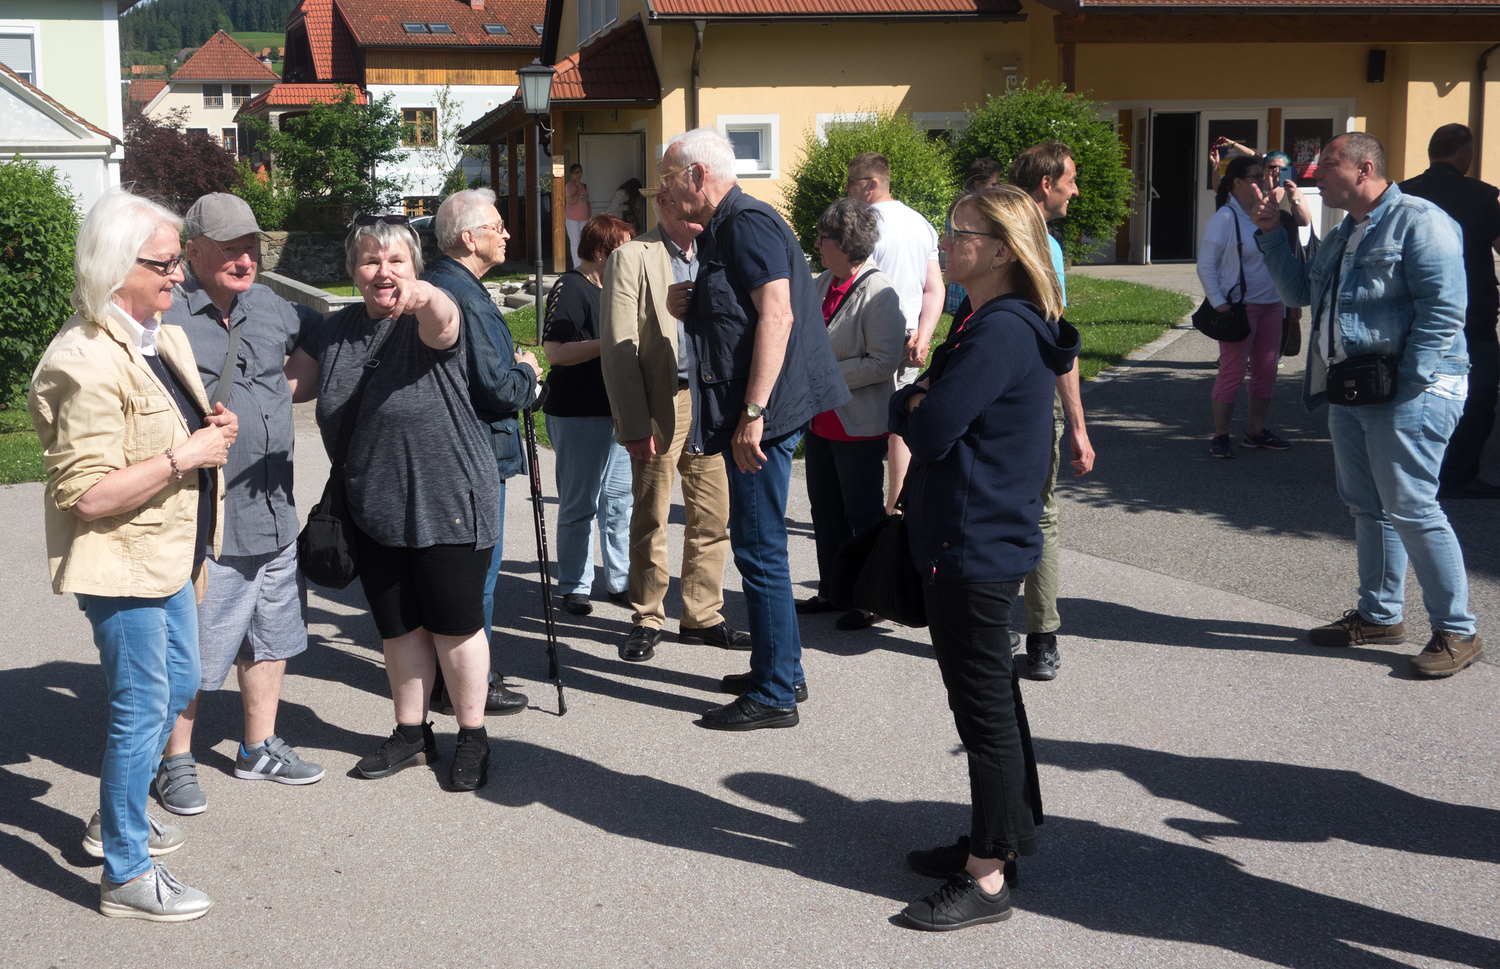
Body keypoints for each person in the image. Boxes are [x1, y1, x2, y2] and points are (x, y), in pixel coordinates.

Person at [30, 188, 236, 920]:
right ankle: (124, 870)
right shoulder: (82, 360)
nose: (180, 275)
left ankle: (113, 815)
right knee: (142, 706)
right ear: (117, 266)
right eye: (166, 263)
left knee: (179, 684)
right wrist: (187, 455)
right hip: (123, 565)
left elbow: (170, 425)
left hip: (170, 556)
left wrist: (207, 427)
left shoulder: (157, 336)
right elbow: (86, 495)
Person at [892, 186, 1078, 931]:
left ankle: (988, 877)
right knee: (991, 702)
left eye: (960, 232)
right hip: (979, 536)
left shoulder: (999, 329)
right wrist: (921, 400)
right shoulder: (990, 319)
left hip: (975, 544)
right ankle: (997, 838)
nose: (945, 242)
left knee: (984, 713)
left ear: (1001, 250)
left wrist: (916, 402)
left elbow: (930, 423)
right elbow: (932, 408)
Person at [1252, 132, 1484, 678]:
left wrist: (1408, 382)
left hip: (1408, 390)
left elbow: (1444, 310)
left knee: (1412, 507)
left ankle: (1458, 630)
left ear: (1364, 169)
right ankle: (1380, 616)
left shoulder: (1420, 221)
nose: (1316, 174)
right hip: (1355, 388)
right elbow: (1299, 294)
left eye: (1328, 164)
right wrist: (1270, 234)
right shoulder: (1345, 233)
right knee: (1368, 506)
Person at [284, 215, 499, 790]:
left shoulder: (430, 314)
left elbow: (443, 321)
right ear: (353, 270)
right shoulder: (335, 331)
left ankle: (473, 735)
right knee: (398, 626)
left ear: (415, 266)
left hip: (449, 499)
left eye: (397, 260)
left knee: (455, 625)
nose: (384, 272)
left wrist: (423, 294)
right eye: (371, 261)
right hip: (372, 504)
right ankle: (411, 733)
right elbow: (284, 388)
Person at [658, 127, 848, 730]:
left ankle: (774, 694)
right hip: (759, 411)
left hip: (764, 414)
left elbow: (778, 314)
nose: (664, 190)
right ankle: (781, 668)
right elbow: (741, 310)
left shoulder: (746, 223)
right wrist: (693, 303)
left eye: (669, 178)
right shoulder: (723, 228)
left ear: (698, 176)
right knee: (759, 545)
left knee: (759, 548)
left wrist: (753, 413)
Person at [153, 194, 324, 818]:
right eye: (228, 248)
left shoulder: (270, 305)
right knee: (193, 648)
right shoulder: (167, 314)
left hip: (275, 509)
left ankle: (257, 747)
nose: (244, 259)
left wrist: (289, 385)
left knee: (271, 637)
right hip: (210, 519)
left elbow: (322, 333)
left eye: (250, 246)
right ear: (192, 250)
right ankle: (172, 759)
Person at [599, 199, 746, 664]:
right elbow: (618, 347)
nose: (700, 209)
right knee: (651, 514)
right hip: (662, 401)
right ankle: (647, 616)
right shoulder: (632, 256)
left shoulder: (718, 253)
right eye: (687, 198)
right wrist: (633, 422)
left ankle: (702, 615)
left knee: (712, 513)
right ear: (662, 203)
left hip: (711, 401)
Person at [424, 188, 542, 715]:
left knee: (450, 574)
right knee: (478, 579)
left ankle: (443, 680)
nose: (507, 234)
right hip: (474, 457)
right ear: (469, 238)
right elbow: (498, 389)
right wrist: (528, 372)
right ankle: (471, 684)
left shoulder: (436, 283)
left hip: (444, 451)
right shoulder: (467, 297)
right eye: (498, 226)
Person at [1006, 141, 1097, 680]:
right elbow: (1061, 345)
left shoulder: (987, 230)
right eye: (1071, 180)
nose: (1075, 191)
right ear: (1047, 184)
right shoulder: (1044, 246)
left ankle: (990, 626)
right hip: (1034, 399)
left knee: (986, 508)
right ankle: (1042, 641)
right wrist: (1079, 426)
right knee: (1042, 514)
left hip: (986, 390)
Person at [800, 197, 905, 631]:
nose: (817, 245)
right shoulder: (824, 281)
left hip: (857, 425)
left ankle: (868, 600)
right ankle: (832, 590)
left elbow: (883, 362)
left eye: (823, 238)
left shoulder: (880, 293)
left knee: (862, 514)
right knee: (824, 510)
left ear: (846, 244)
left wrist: (823, 374)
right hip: (821, 420)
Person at [541, 214, 637, 616]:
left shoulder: (617, 288)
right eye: (622, 248)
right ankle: (575, 585)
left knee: (619, 502)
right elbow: (554, 351)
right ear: (600, 249)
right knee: (580, 504)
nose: (629, 256)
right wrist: (610, 342)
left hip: (618, 411)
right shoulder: (571, 287)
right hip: (578, 411)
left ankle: (620, 581)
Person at [1401, 124, 1500, 499]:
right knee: (1479, 397)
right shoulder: (1480, 195)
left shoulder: (1403, 193)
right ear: (1465, 153)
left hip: (1413, 311)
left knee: (1413, 390)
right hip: (1471, 313)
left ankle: (1411, 469)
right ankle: (1458, 475)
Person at [845, 152, 944, 513]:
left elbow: (852, 284)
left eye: (851, 183)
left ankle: (865, 509)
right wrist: (924, 335)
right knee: (900, 420)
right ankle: (897, 508)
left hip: (868, 338)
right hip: (910, 337)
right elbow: (934, 288)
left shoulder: (863, 224)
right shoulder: (920, 223)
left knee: (862, 424)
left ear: (871, 185)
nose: (846, 191)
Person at [1199, 154, 1291, 459]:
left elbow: (1280, 258)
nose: (1262, 182)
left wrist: (1288, 299)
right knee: (1233, 372)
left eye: (1262, 177)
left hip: (1272, 304)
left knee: (1266, 371)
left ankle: (1256, 431)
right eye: (1255, 177)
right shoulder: (1225, 218)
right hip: (1240, 308)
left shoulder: (1267, 213)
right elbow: (1206, 264)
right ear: (1237, 182)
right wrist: (1219, 303)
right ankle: (1221, 435)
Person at [564, 163, 590, 268]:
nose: (578, 174)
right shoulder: (569, 186)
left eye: (579, 172)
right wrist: (578, 188)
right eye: (575, 172)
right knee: (575, 242)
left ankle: (584, 264)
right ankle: (577, 266)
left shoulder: (585, 186)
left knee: (584, 242)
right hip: (572, 219)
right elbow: (573, 200)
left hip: (584, 218)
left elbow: (587, 203)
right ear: (571, 174)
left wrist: (590, 217)